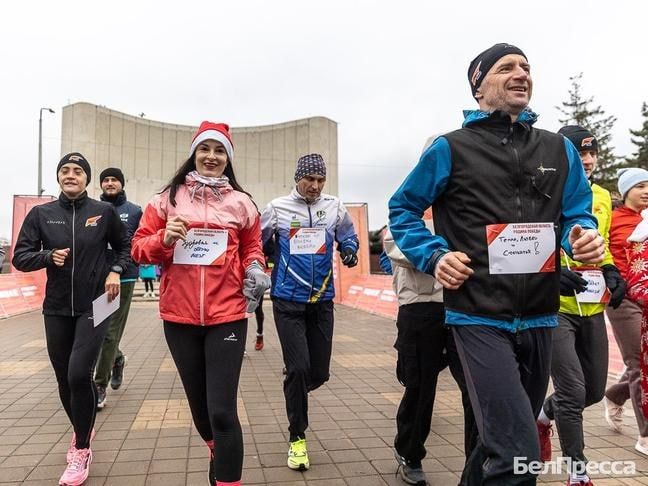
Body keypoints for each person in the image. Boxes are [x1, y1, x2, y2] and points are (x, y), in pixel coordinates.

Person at [388, 43, 605, 485]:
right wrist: (434, 255)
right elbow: (403, 209)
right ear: (479, 86)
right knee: (518, 454)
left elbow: (577, 211)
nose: (521, 73)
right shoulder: (451, 148)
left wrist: (579, 235)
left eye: (526, 67)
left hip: (543, 316)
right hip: (478, 315)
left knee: (496, 444)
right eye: (506, 67)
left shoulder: (558, 149)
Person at [131, 121, 269, 486]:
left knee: (223, 411)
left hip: (228, 314)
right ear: (194, 153)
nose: (212, 156)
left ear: (228, 157)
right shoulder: (166, 200)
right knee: (201, 410)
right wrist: (162, 238)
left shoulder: (242, 203)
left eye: (220, 150)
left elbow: (254, 248)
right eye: (205, 148)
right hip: (179, 318)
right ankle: (215, 449)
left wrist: (255, 268)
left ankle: (225, 474)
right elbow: (138, 248)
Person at [13, 152, 129, 486]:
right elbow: (20, 257)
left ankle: (81, 448)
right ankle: (82, 426)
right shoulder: (42, 214)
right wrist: (48, 256)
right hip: (57, 306)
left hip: (98, 303)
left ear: (87, 178)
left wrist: (116, 272)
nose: (71, 175)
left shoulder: (104, 212)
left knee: (80, 374)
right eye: (65, 170)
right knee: (64, 378)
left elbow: (125, 248)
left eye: (78, 171)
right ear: (59, 177)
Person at [534, 126, 625, 486]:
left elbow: (601, 243)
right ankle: (578, 473)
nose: (587, 160)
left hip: (591, 305)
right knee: (572, 392)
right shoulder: (541, 191)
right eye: (579, 153)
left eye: (592, 153)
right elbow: (523, 243)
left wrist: (612, 271)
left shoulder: (602, 195)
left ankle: (543, 414)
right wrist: (549, 274)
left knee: (594, 391)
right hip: (554, 307)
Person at [260, 153, 359, 471]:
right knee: (300, 369)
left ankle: (294, 381)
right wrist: (268, 262)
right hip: (287, 300)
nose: (315, 186)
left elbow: (348, 234)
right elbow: (257, 244)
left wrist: (349, 249)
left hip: (322, 301)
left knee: (319, 373)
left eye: (320, 180)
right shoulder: (276, 208)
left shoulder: (334, 206)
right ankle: (297, 438)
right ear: (297, 178)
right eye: (309, 180)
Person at [384, 221, 477, 486]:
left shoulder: (464, 208)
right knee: (421, 388)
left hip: (465, 308)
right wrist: (442, 255)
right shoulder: (409, 211)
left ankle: (477, 464)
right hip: (420, 308)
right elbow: (396, 246)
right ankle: (409, 454)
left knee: (476, 391)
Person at [603, 167, 648, 456]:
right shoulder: (613, 218)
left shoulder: (647, 219)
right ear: (625, 190)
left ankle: (614, 394)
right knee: (639, 363)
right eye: (640, 185)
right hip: (623, 299)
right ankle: (645, 436)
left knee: (640, 365)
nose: (646, 191)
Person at [94, 168, 143, 410]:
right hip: (98, 279)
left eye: (114, 180)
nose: (110, 183)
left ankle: (99, 385)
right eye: (106, 180)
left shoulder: (134, 211)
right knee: (100, 331)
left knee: (109, 333)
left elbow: (140, 241)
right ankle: (118, 358)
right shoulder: (94, 209)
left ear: (122, 184)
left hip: (123, 278)